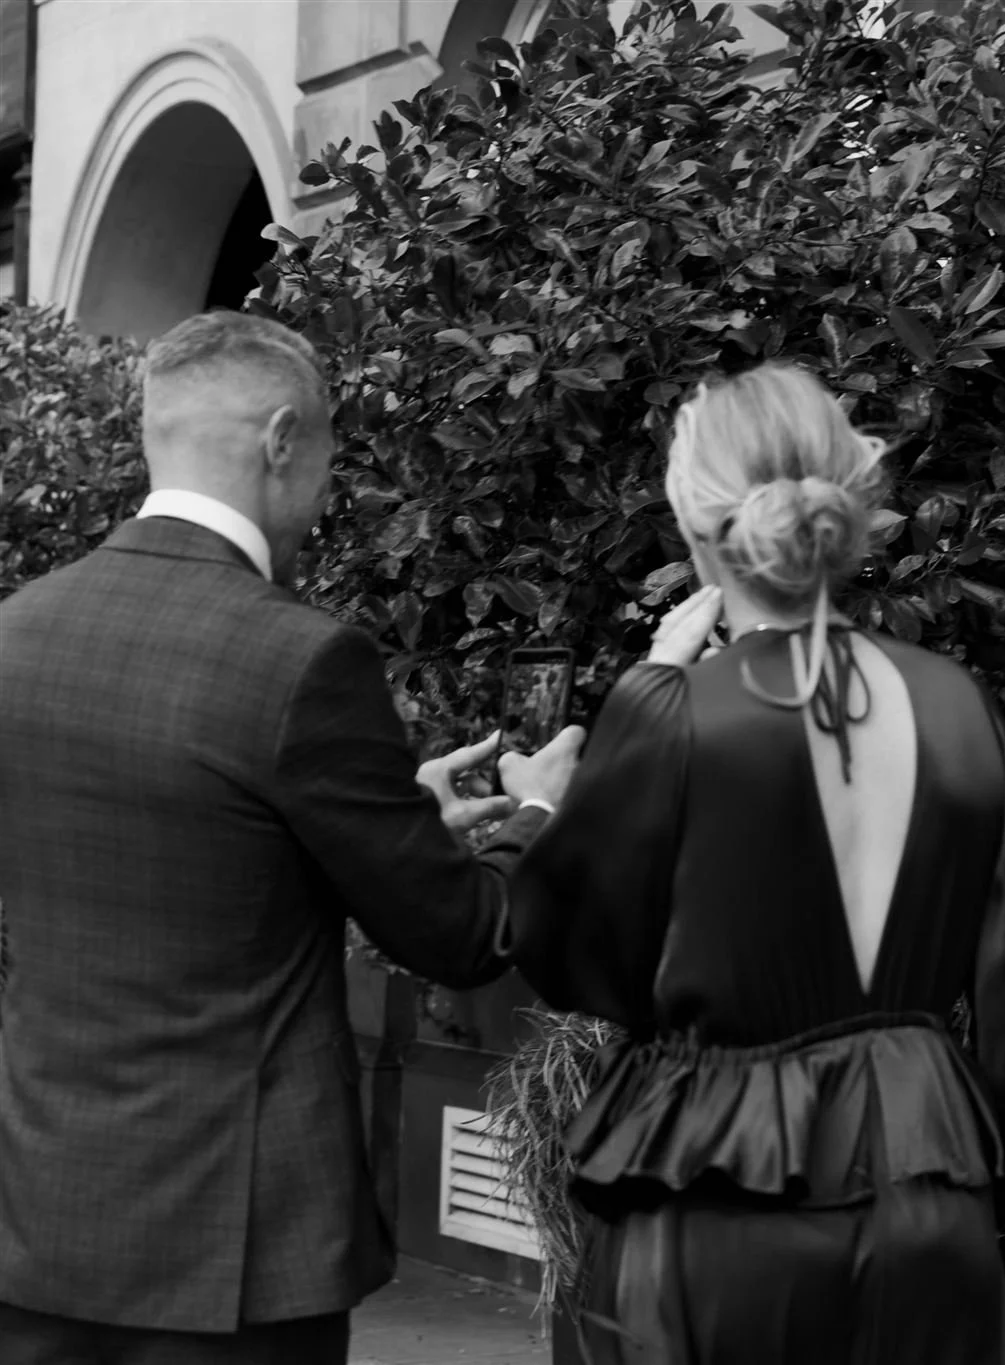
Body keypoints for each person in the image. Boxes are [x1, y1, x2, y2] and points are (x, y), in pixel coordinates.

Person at [0, 310, 583, 1364]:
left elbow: (181, 838)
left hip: (40, 1218)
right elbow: (456, 936)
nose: (326, 491)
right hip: (235, 1245)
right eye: (326, 452)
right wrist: (537, 815)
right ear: (281, 439)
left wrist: (394, 819)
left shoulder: (19, 631)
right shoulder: (302, 659)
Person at [505, 360, 1005, 1365]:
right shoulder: (956, 704)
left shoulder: (676, 715)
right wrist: (996, 1179)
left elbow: (573, 958)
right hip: (929, 1191)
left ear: (696, 527)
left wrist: (547, 804)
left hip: (727, 1190)